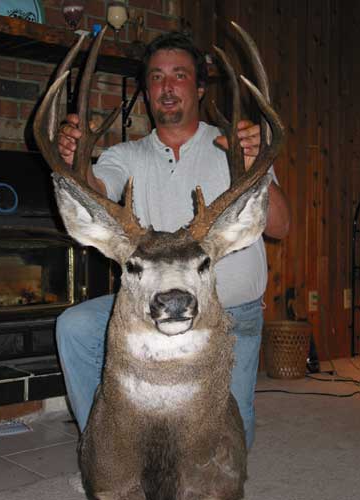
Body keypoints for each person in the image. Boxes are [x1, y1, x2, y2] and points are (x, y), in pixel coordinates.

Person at [57, 31, 290, 450]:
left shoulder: (232, 146)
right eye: (157, 77)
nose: (167, 87)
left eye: (179, 76)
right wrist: (75, 165)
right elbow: (95, 189)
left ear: (199, 88)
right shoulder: (123, 157)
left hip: (229, 313)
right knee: (75, 327)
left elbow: (280, 226)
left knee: (225, 440)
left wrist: (255, 168)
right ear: (146, 92)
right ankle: (107, 447)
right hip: (149, 308)